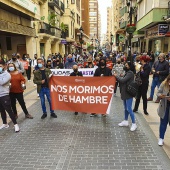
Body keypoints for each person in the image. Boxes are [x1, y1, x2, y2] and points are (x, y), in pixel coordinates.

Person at [114, 61, 137, 131]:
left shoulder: (130, 73)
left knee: (129, 109)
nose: (125, 66)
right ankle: (125, 121)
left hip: (128, 93)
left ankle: (134, 123)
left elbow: (123, 81)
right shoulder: (127, 73)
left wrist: (116, 76)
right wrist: (121, 76)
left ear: (129, 67)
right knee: (125, 108)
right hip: (125, 92)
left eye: (126, 65)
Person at [0, 60, 19, 132]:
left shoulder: (7, 74)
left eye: (0, 66)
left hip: (4, 95)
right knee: (1, 110)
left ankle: (15, 124)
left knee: (9, 110)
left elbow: (2, 82)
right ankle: (5, 123)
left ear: (4, 66)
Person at [157, 74, 170, 146]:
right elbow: (158, 93)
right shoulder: (163, 84)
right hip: (165, 106)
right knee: (163, 123)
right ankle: (161, 138)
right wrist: (161, 95)